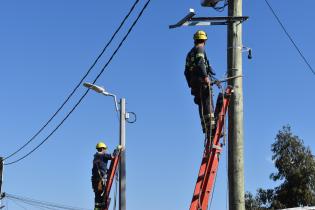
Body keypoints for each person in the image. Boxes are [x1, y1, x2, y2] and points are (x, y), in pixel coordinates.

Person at [184, 30, 217, 139]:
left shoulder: (189, 53)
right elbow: (200, 62)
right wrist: (205, 76)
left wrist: (190, 84)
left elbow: (186, 71)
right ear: (204, 40)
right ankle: (212, 128)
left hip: (194, 82)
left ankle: (205, 128)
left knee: (201, 104)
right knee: (207, 101)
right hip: (201, 80)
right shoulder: (200, 49)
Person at [91, 141, 121, 210]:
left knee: (98, 196)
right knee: (102, 195)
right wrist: (117, 149)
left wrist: (107, 171)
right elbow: (113, 156)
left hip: (95, 180)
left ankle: (97, 208)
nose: (105, 150)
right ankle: (101, 207)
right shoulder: (103, 155)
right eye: (105, 149)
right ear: (102, 149)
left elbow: (101, 167)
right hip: (100, 180)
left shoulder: (96, 157)